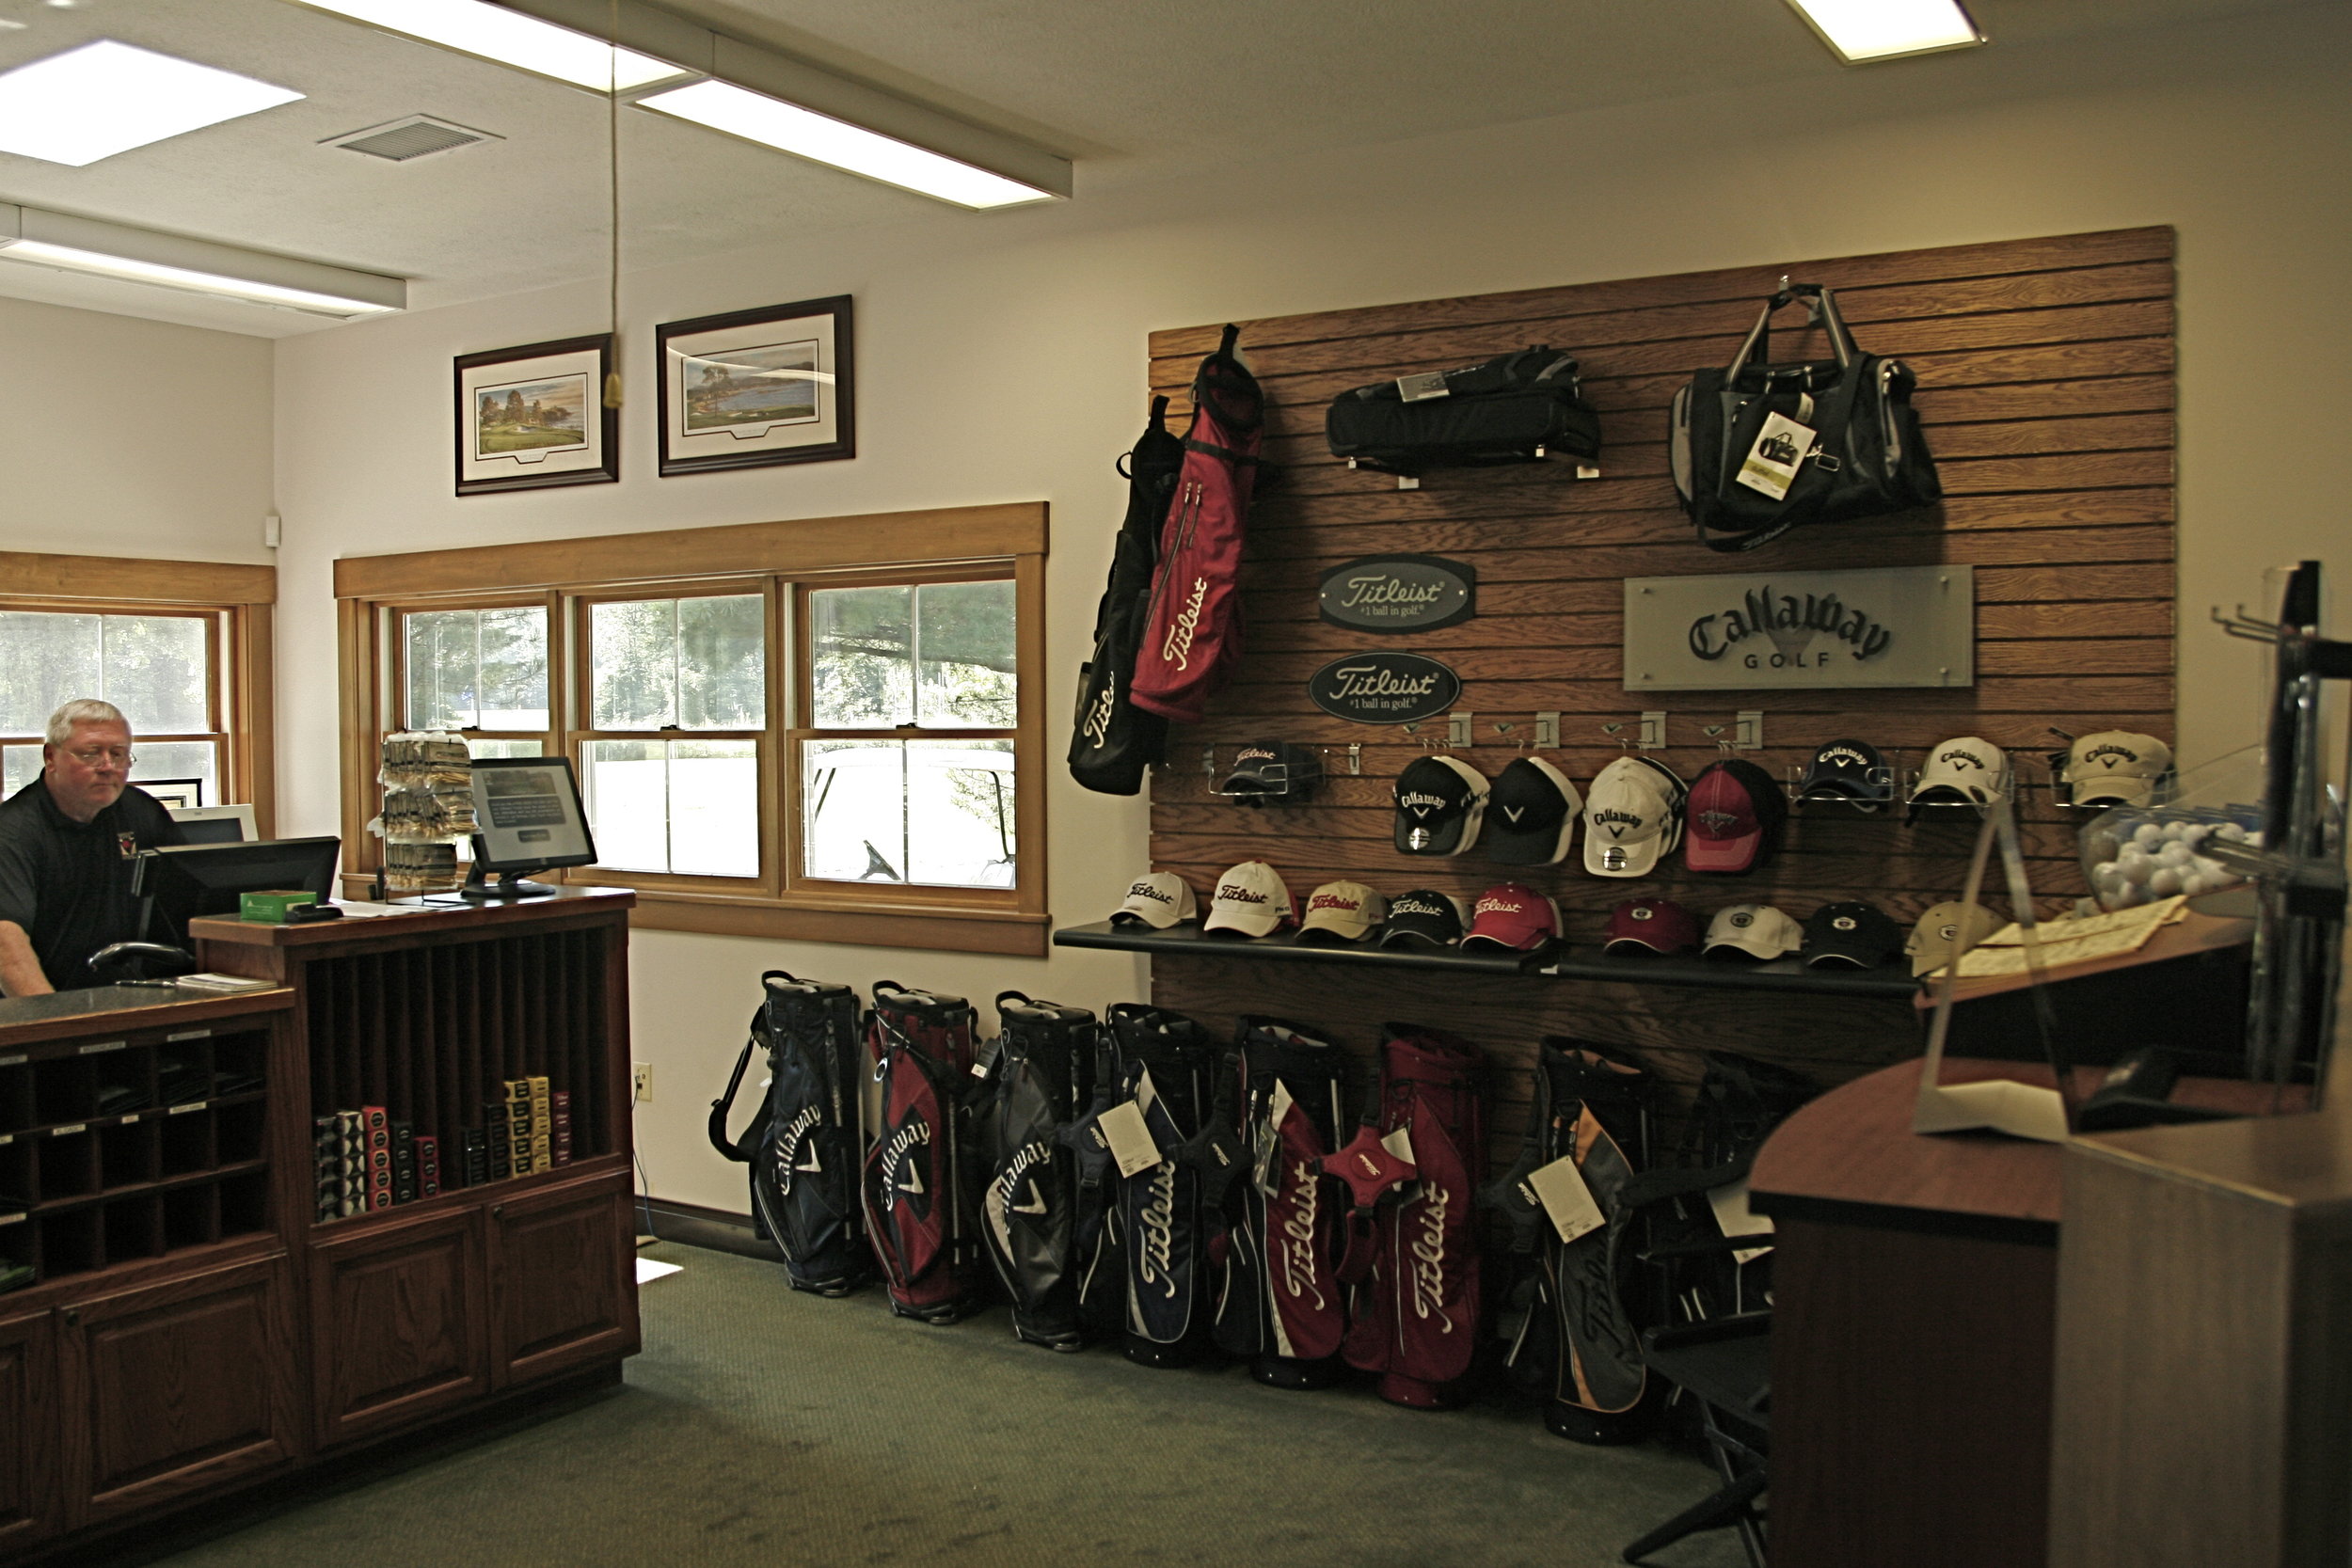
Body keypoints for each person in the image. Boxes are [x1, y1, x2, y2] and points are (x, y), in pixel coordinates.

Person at [0, 700, 186, 996]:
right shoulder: (14, 833)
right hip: (50, 1004)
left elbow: (189, 896)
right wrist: (53, 1028)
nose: (108, 767)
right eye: (91, 754)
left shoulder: (142, 812)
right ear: (51, 756)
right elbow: (6, 943)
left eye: (118, 754)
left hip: (133, 994)